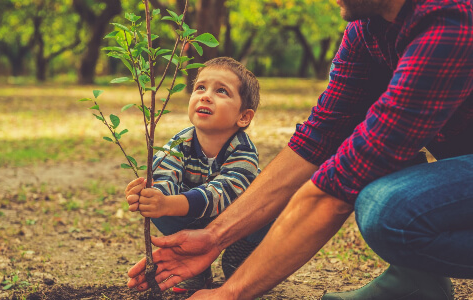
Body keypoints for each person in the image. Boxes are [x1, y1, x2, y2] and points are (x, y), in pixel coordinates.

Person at [126, 0, 473, 299]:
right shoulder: (366, 29)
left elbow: (337, 187)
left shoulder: (449, 19)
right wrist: (214, 237)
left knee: (387, 210)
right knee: (369, 141)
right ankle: (416, 280)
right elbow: (318, 138)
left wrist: (231, 292)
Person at [124, 56, 272, 293]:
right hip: (195, 217)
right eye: (200, 88)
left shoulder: (243, 151)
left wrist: (172, 203)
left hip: (239, 220)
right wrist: (152, 197)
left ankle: (243, 255)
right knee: (161, 210)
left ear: (243, 116)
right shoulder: (181, 142)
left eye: (221, 91)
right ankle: (197, 269)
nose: (205, 95)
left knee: (267, 217)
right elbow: (164, 174)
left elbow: (222, 194)